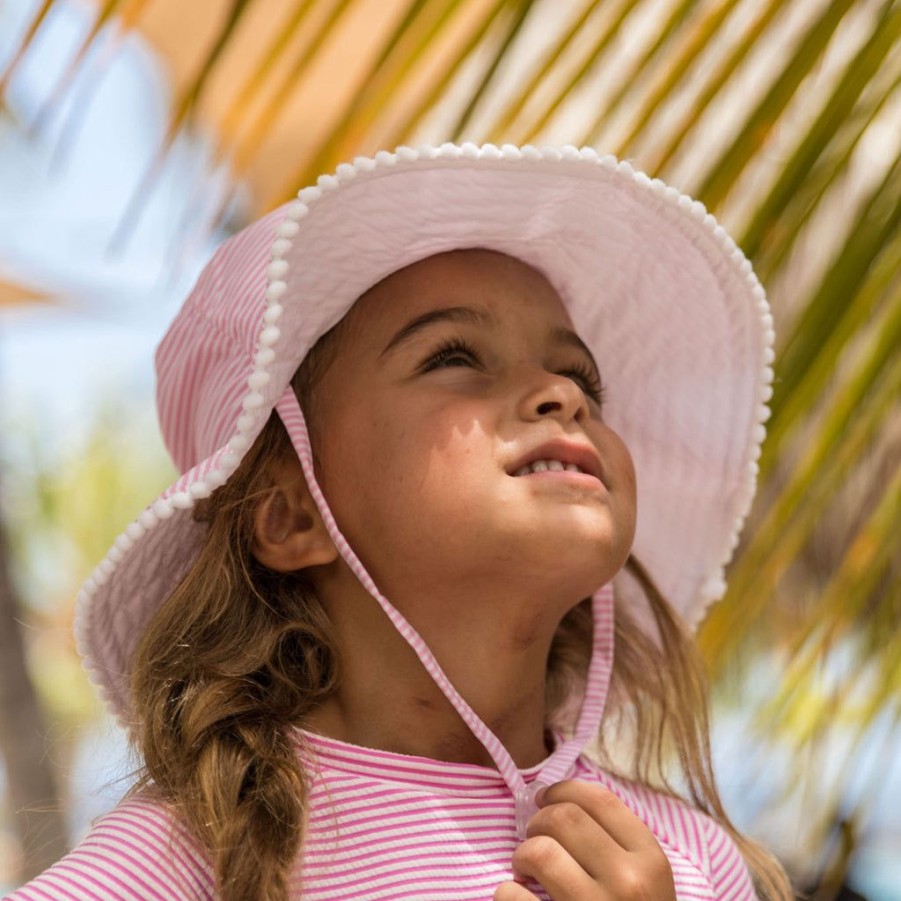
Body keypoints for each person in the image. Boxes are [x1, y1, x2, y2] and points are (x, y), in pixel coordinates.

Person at [7, 143, 792, 901]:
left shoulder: (688, 860)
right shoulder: (194, 856)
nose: (563, 392)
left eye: (580, 372)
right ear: (289, 513)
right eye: (454, 356)